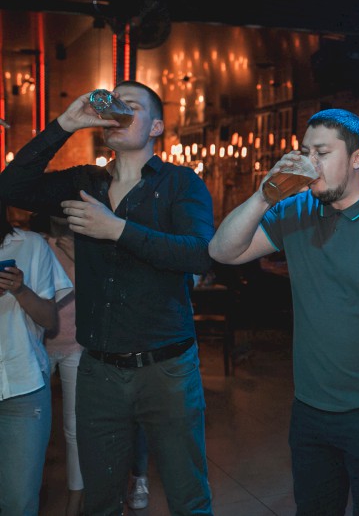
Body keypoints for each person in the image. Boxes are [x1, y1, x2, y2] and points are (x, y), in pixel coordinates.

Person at [0, 81, 215, 514]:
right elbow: (11, 187)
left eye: (130, 105)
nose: (118, 110)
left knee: (187, 496)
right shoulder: (86, 182)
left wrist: (117, 229)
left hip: (166, 368)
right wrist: (65, 124)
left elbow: (198, 254)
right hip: (98, 369)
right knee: (100, 500)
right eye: (114, 103)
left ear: (156, 127)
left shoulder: (180, 183)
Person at [208, 108, 359, 515]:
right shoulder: (296, 210)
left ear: (358, 157)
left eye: (322, 153)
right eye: (305, 152)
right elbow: (223, 251)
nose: (310, 163)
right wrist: (264, 196)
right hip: (310, 407)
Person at [0, 201, 73, 515]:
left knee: (19, 501)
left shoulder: (32, 246)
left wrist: (20, 290)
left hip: (24, 386)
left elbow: (49, 319)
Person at [30, 213, 85, 516]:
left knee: (74, 427)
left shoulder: (86, 245)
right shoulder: (34, 244)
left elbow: (101, 294)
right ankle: (26, 492)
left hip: (76, 344)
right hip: (38, 345)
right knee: (34, 426)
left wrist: (80, 259)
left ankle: (75, 498)